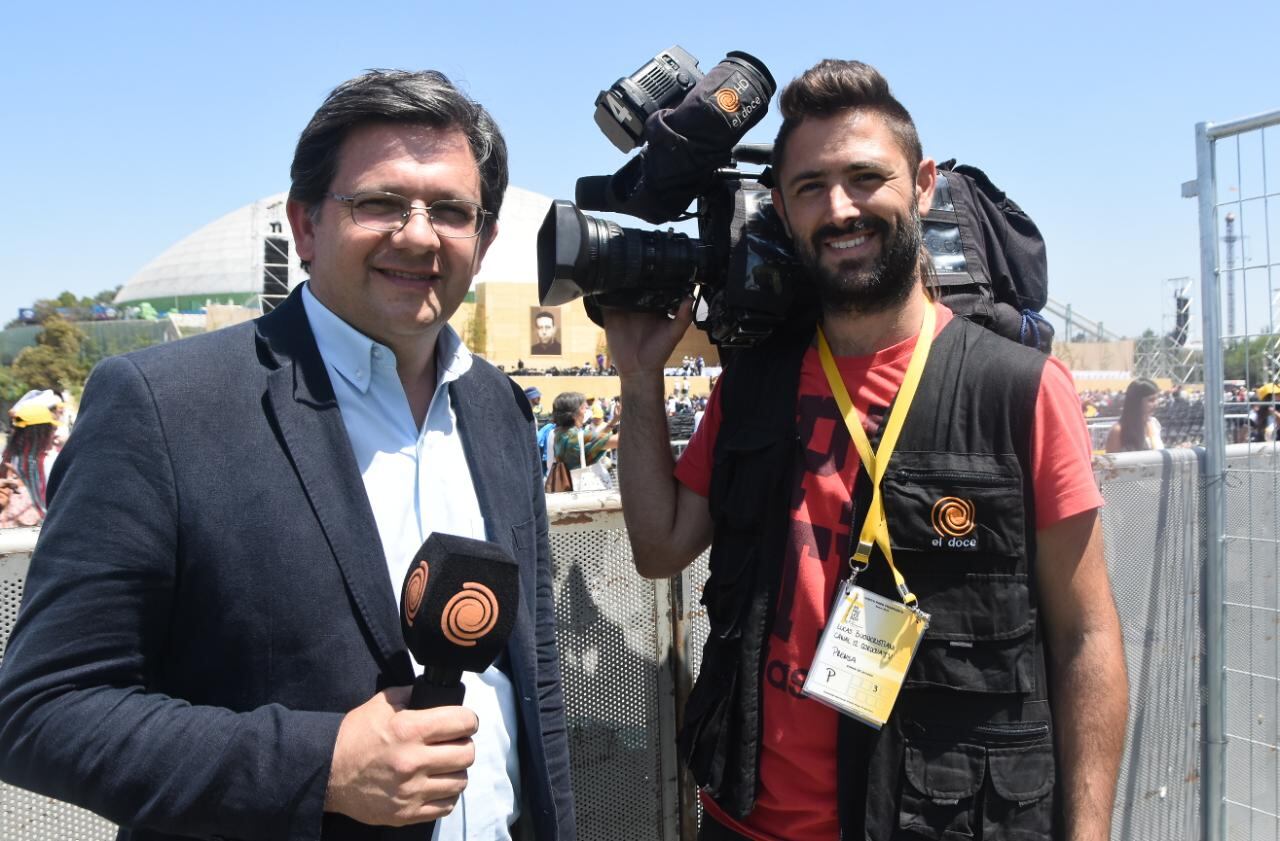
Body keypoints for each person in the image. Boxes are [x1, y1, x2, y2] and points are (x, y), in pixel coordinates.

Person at [0, 70, 574, 841]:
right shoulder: (165, 405)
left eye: (450, 210)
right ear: (305, 226)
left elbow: (531, 678)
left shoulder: (498, 407)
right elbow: (40, 710)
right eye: (378, 202)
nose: (418, 234)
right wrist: (321, 765)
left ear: (484, 238)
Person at [605, 59, 1126, 840]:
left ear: (921, 184)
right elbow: (658, 547)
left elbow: (1087, 637)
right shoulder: (754, 380)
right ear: (780, 207)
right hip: (742, 822)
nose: (840, 208)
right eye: (811, 187)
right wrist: (639, 376)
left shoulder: (1020, 390)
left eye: (864, 178)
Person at [0, 390, 64, 529]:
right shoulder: (50, 459)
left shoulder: (8, 456)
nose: (54, 432)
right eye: (51, 428)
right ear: (41, 431)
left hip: (13, 531)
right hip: (43, 527)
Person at [549, 391, 618, 470]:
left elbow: (597, 438)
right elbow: (618, 441)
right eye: (583, 408)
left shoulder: (557, 433)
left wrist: (614, 420)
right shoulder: (577, 436)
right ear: (574, 414)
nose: (585, 411)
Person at [1105, 377, 1163, 453]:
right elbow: (1111, 463)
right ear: (1136, 402)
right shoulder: (1118, 430)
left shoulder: (1154, 423)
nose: (1156, 404)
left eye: (1157, 399)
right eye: (1151, 400)